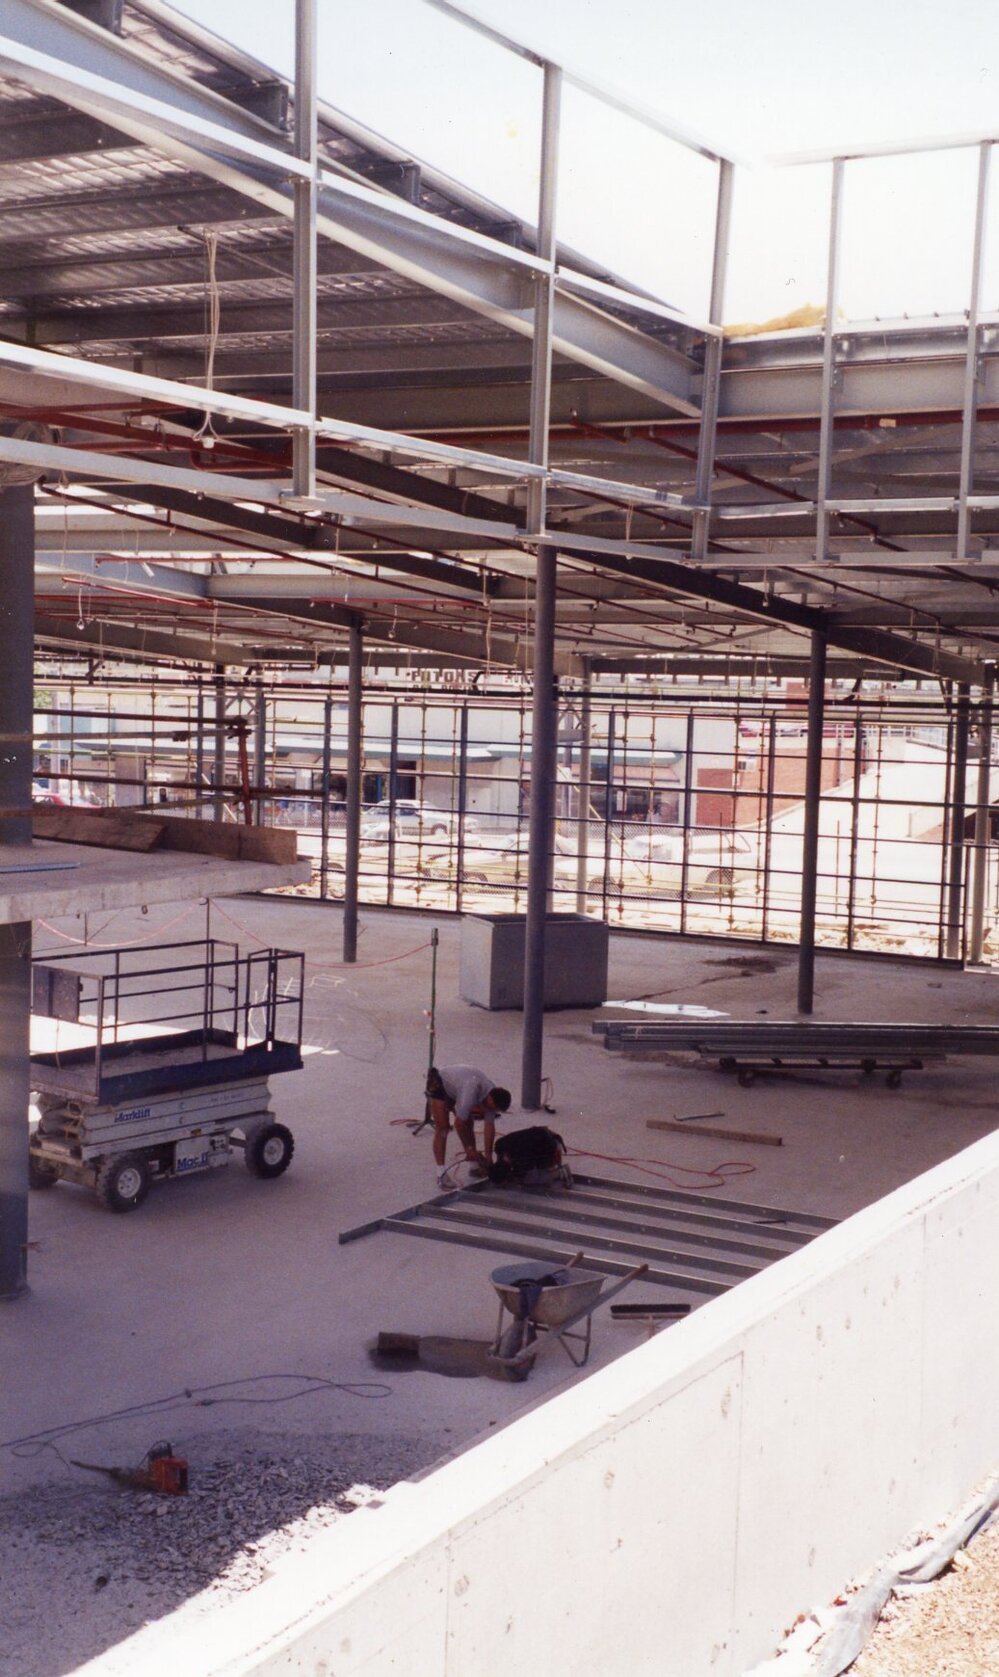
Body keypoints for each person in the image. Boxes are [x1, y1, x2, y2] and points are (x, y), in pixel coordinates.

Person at [425, 1064, 511, 1173]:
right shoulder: (470, 1092)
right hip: (441, 1083)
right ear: (489, 1099)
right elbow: (459, 1124)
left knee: (469, 1124)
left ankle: (473, 1165)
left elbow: (489, 1126)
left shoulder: (492, 1094)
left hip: (459, 1086)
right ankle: (440, 1172)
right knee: (443, 1129)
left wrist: (489, 1157)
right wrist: (469, 1149)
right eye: (489, 1107)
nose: (487, 1111)